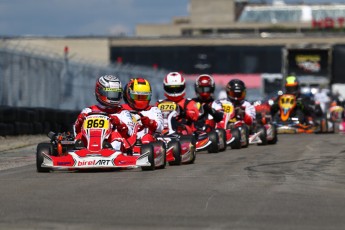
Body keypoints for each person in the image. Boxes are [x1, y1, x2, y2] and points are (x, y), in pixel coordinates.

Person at [73, 75, 133, 151]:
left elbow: (130, 134)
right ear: (100, 92)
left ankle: (111, 151)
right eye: (111, 93)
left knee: (115, 135)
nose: (114, 97)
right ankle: (78, 151)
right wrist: (79, 121)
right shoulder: (88, 111)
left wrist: (119, 123)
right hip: (87, 147)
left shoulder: (123, 113)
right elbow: (76, 131)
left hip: (115, 149)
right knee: (80, 136)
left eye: (116, 94)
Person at [158, 72, 210, 151]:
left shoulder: (189, 102)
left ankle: (183, 145)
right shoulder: (160, 103)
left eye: (177, 88)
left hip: (182, 130)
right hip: (163, 130)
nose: (174, 92)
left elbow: (195, 115)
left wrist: (183, 112)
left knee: (182, 128)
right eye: (171, 89)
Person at [122, 78, 164, 143]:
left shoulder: (154, 110)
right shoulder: (121, 110)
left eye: (144, 97)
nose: (141, 100)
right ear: (129, 95)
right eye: (138, 96)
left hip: (147, 145)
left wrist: (150, 123)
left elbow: (160, 128)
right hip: (125, 142)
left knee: (147, 137)